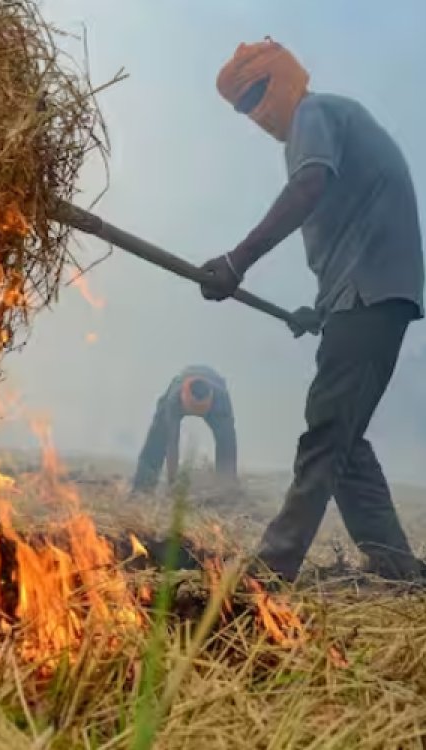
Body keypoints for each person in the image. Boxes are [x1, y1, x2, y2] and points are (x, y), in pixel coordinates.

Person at [199, 38, 424, 582]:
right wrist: (318, 313)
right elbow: (353, 231)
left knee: (325, 432)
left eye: (257, 93)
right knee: (343, 438)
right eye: (243, 106)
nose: (256, 111)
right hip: (361, 298)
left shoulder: (314, 113)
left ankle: (274, 566)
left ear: (285, 77)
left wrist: (238, 259)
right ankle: (398, 570)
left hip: (371, 296)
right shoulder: (324, 122)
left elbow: (308, 188)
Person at [132, 365, 237, 493]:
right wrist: (172, 482)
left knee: (226, 443)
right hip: (181, 383)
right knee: (157, 439)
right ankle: (142, 488)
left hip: (215, 390)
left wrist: (227, 481)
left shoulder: (221, 402)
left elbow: (229, 446)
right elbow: (171, 443)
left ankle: (227, 491)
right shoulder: (173, 400)